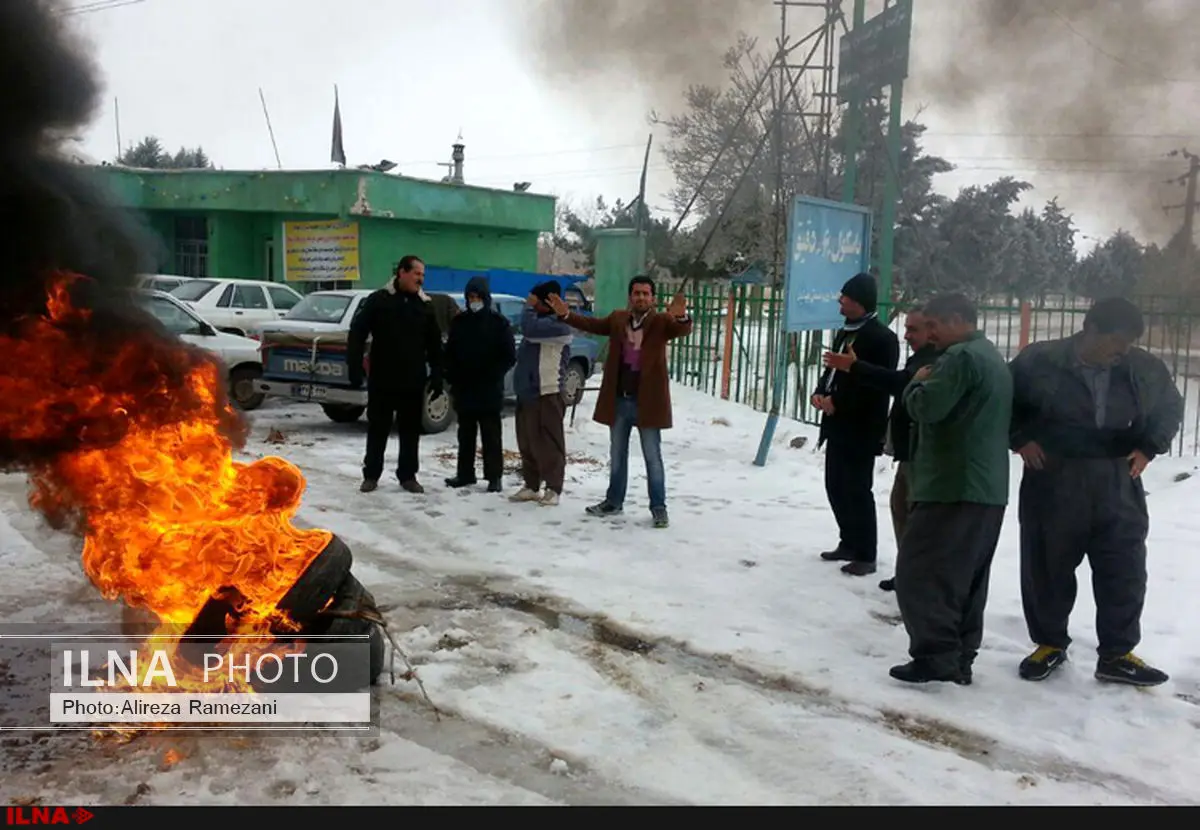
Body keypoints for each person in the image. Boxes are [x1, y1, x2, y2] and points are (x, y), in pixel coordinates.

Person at [1010, 297, 1184, 687]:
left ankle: (1117, 654)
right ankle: (1049, 644)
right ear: (1090, 329)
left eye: (1127, 344)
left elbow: (1170, 406)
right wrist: (1020, 437)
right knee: (1047, 564)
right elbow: (1006, 401)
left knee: (1124, 567)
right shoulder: (1040, 360)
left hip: (1118, 477)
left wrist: (1149, 446)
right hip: (1054, 476)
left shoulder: (1143, 368)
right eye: (1116, 342)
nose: (1121, 351)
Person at [888, 293, 1011, 685]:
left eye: (934, 325)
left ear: (958, 320)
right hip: (986, 487)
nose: (929, 334)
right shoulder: (991, 356)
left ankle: (935, 656)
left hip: (952, 484)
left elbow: (926, 408)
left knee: (918, 571)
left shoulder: (958, 359)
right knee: (968, 577)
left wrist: (914, 385)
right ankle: (960, 656)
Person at [546, 276, 691, 529]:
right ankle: (613, 501)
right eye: (637, 293)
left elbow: (681, 329)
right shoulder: (618, 319)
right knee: (617, 454)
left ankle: (659, 507)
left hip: (648, 403)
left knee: (652, 456)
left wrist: (680, 318)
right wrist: (567, 315)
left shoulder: (660, 321)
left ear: (653, 298)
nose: (641, 298)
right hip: (620, 401)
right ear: (630, 296)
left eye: (646, 294)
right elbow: (592, 324)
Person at [823, 305, 938, 591]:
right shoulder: (919, 358)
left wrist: (855, 367)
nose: (907, 335)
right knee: (900, 508)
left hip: (921, 452)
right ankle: (907, 573)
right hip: (909, 450)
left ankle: (913, 577)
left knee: (912, 515)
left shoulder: (932, 360)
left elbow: (894, 383)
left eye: (914, 329)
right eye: (907, 328)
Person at [812, 272, 900, 577]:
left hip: (861, 427)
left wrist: (840, 403)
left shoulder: (882, 338)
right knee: (835, 485)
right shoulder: (846, 331)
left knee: (857, 488)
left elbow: (876, 386)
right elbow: (834, 369)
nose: (840, 301)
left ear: (859, 302)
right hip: (836, 423)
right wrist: (821, 392)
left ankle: (866, 552)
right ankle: (848, 540)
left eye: (845, 297)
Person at [347, 255, 444, 494]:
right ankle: (371, 475)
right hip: (382, 378)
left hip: (413, 380)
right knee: (378, 428)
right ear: (401, 272)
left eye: (422, 275)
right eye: (416, 274)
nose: (420, 279)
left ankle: (408, 476)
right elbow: (357, 332)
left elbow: (434, 344)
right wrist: (354, 366)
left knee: (410, 431)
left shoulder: (425, 306)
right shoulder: (379, 301)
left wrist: (438, 375)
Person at [443, 276, 516, 493]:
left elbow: (509, 356)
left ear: (485, 298)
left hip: (489, 389)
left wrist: (493, 374)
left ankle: (494, 477)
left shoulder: (499, 324)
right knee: (465, 434)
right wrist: (452, 374)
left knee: (491, 435)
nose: (474, 301)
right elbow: (450, 353)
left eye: (477, 297)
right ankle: (465, 474)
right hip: (464, 388)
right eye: (470, 297)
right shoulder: (459, 323)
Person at [510, 281, 573, 507]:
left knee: (550, 443)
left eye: (534, 300)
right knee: (527, 442)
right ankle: (531, 484)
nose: (531, 303)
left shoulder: (560, 326)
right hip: (527, 393)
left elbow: (529, 329)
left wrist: (528, 307)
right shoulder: (537, 322)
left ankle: (553, 488)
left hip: (548, 392)